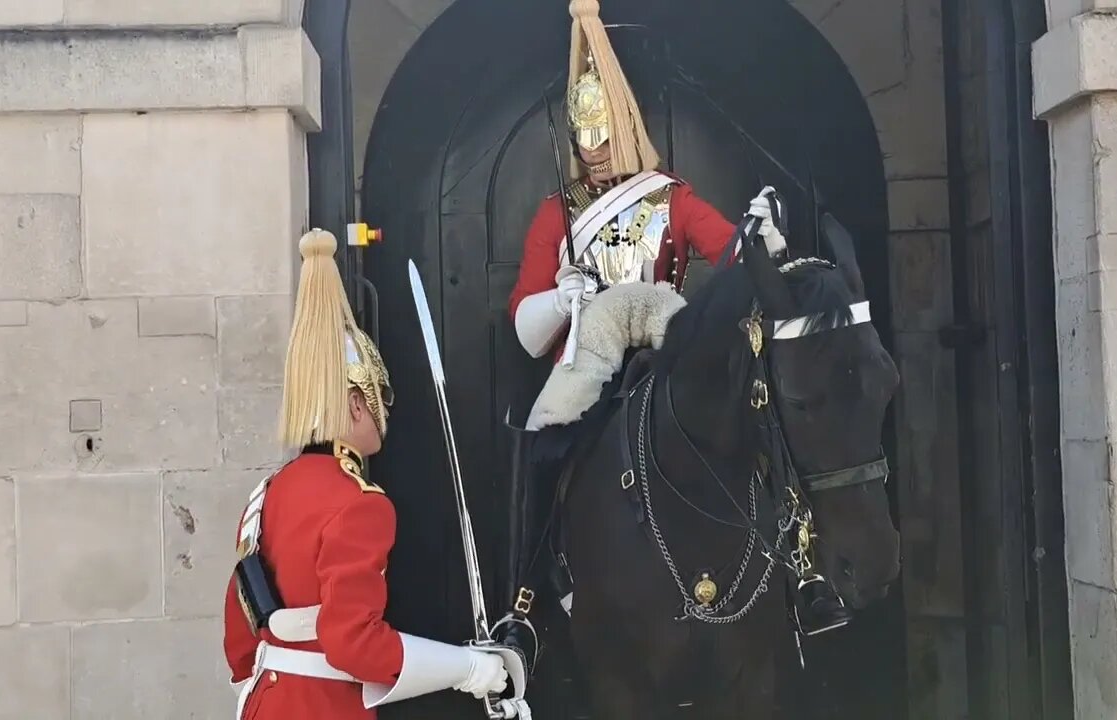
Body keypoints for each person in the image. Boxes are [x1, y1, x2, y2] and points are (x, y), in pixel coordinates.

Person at [497, 0, 849, 652]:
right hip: (590, 356)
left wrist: (764, 238)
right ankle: (524, 600)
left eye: (603, 136)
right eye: (584, 138)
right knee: (543, 448)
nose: (594, 152)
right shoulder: (557, 216)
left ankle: (802, 573)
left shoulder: (672, 198)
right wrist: (560, 299)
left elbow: (734, 256)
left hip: (668, 345)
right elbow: (525, 324)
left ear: (626, 127)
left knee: (758, 419)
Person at [223, 229, 524, 719]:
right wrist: (469, 668)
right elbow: (353, 644)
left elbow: (239, 643)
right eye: (381, 398)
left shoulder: (267, 494)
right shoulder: (360, 503)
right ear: (357, 403)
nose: (386, 412)